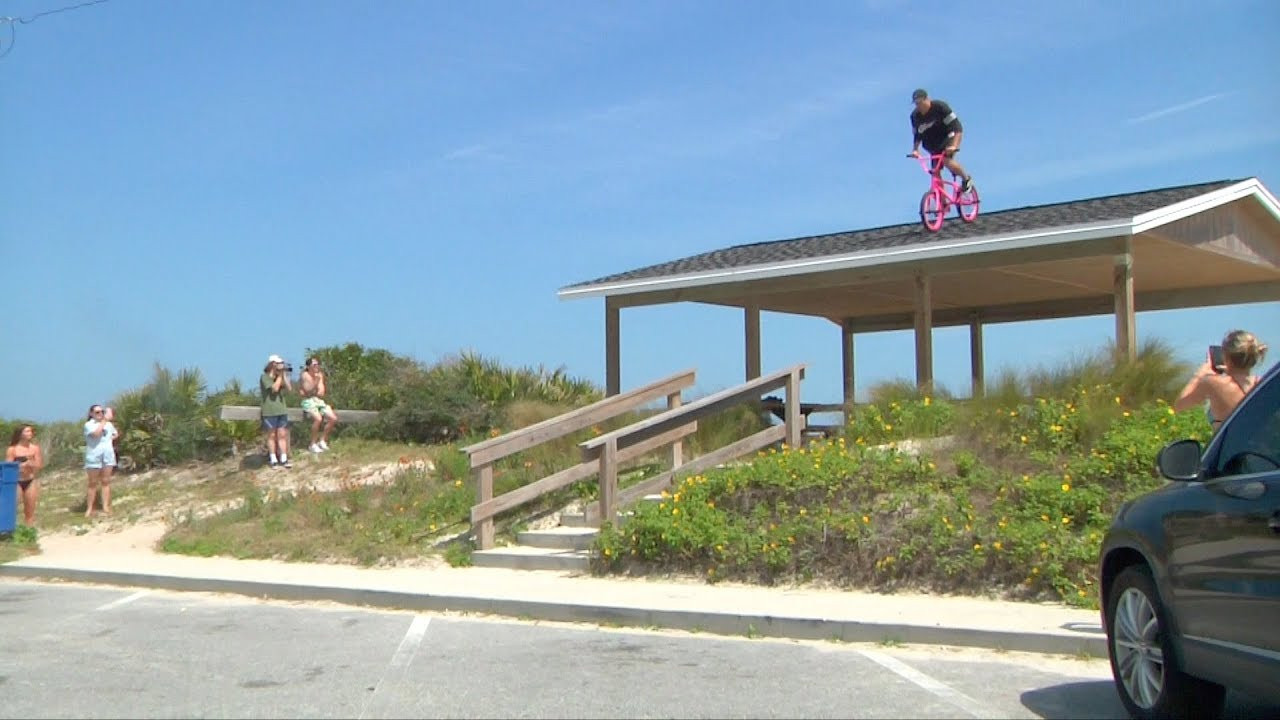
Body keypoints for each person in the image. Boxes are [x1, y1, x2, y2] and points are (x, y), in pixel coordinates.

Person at [1174, 330, 1268, 432]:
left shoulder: (1213, 382)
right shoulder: (1264, 383)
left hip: (1231, 441)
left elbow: (1180, 406)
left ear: (1225, 356)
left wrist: (1200, 374)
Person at [908, 88, 973, 193]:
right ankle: (941, 200)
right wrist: (915, 150)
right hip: (933, 144)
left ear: (927, 99)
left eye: (921, 102)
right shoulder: (915, 116)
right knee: (935, 172)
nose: (919, 106)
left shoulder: (940, 107)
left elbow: (957, 127)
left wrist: (954, 146)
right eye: (916, 104)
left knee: (946, 161)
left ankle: (966, 179)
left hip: (947, 137)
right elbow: (917, 135)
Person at [83, 404, 118, 518]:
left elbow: (115, 434)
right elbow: (96, 434)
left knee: (106, 481)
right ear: (91, 414)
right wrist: (104, 421)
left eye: (102, 412)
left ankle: (105, 506)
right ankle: (89, 508)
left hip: (107, 455)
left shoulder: (109, 424)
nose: (100, 414)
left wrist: (109, 440)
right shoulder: (89, 425)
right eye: (97, 412)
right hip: (94, 456)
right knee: (92, 483)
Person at [5, 425, 44, 526]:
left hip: (30, 480)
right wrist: (22, 465)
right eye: (27, 431)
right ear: (20, 434)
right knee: (12, 507)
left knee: (30, 509)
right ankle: (9, 528)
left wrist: (32, 464)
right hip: (17, 481)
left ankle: (28, 529)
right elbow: (8, 467)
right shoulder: (12, 449)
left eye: (31, 431)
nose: (30, 433)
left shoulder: (35, 448)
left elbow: (39, 464)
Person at [299, 356, 338, 454]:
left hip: (318, 400)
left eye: (317, 364)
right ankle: (312, 444)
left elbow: (321, 392)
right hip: (308, 401)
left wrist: (316, 386)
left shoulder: (319, 375)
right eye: (314, 365)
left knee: (333, 418)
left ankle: (322, 440)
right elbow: (308, 390)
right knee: (318, 419)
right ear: (308, 366)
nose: (317, 367)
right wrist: (315, 382)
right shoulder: (305, 375)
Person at [261, 354, 293, 469]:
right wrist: (279, 377)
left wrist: (284, 375)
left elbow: (289, 389)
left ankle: (284, 458)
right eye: (278, 363)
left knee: (282, 434)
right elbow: (274, 389)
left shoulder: (279, 377)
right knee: (272, 435)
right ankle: (273, 458)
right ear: (272, 364)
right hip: (270, 410)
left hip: (281, 409)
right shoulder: (265, 377)